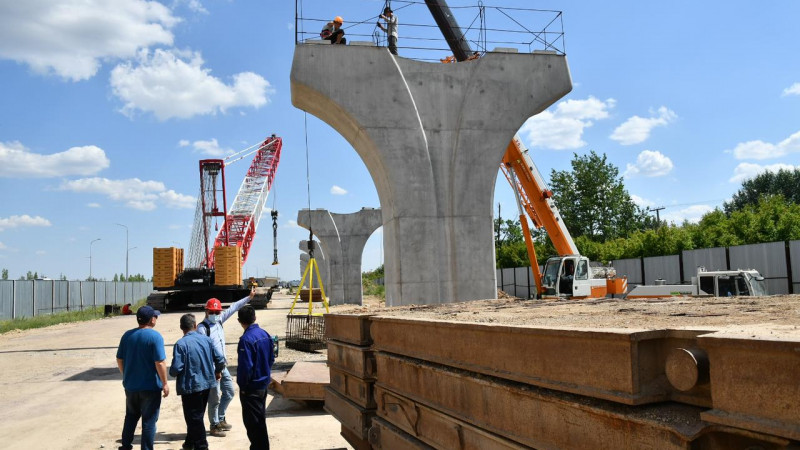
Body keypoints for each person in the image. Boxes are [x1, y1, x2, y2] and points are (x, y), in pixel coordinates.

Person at [198, 289, 255, 437]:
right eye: (213, 312)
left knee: (229, 392)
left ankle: (221, 418)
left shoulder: (220, 320)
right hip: (212, 368)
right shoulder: (202, 329)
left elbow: (234, 307)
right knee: (214, 397)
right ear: (206, 312)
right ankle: (214, 424)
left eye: (217, 312)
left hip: (222, 365)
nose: (216, 315)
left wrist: (248, 297)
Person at [116, 305, 169, 450]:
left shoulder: (127, 336)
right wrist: (165, 383)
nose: (156, 318)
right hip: (150, 388)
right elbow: (160, 362)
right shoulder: (155, 336)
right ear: (151, 319)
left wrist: (126, 375)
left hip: (131, 386)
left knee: (131, 416)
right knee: (149, 421)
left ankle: (126, 446)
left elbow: (119, 359)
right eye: (155, 316)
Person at [170, 314, 226, 450]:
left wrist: (172, 373)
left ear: (181, 327)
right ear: (195, 326)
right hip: (206, 384)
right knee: (196, 416)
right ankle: (189, 444)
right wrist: (217, 372)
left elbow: (176, 368)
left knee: (194, 418)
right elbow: (220, 359)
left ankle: (202, 446)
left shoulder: (181, 344)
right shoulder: (207, 340)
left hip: (190, 387)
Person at [236, 305, 275, 450]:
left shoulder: (246, 340)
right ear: (255, 318)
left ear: (240, 321)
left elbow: (246, 368)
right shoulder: (265, 334)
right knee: (259, 420)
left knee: (254, 425)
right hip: (263, 386)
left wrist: (243, 386)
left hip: (251, 389)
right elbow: (271, 359)